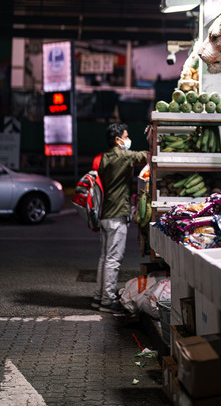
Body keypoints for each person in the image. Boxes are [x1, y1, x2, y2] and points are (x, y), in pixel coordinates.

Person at [91, 122, 148, 313]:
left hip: (105, 214)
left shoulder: (104, 158)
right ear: (117, 140)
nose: (128, 139)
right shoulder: (120, 156)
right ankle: (108, 301)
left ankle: (99, 297)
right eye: (126, 135)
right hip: (117, 215)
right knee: (113, 260)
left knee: (105, 258)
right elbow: (145, 157)